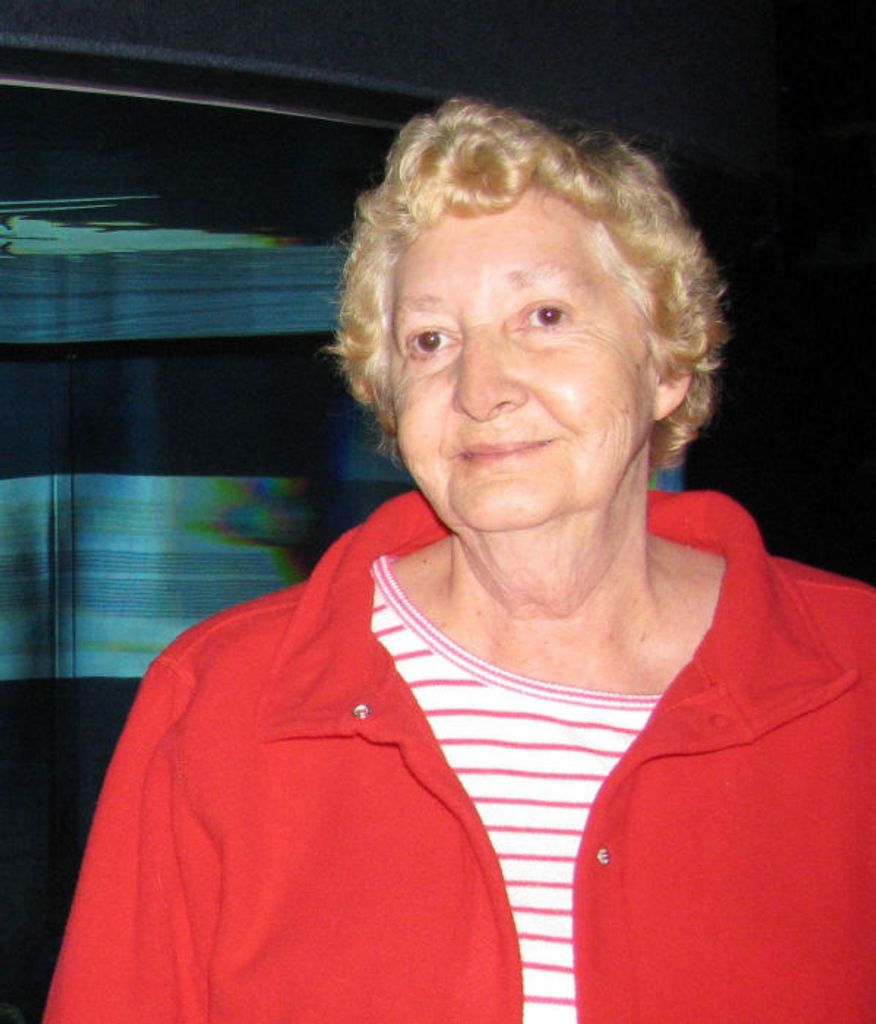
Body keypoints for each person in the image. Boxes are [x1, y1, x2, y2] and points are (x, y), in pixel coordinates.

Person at [45, 98, 876, 1023]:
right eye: (431, 341)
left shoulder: (856, 682)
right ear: (389, 397)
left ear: (667, 364)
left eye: (545, 316)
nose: (481, 390)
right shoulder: (219, 704)